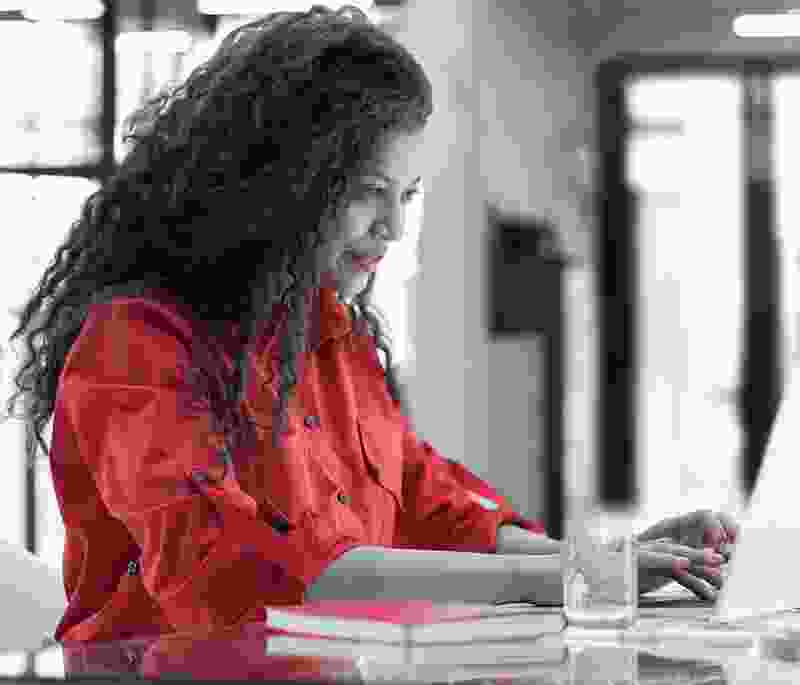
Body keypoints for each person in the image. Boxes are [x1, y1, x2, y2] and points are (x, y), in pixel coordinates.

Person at [7, 6, 735, 643]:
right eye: (367, 192)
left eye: (406, 196)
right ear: (276, 187)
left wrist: (604, 567)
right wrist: (559, 579)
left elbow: (432, 507)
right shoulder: (136, 344)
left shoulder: (331, 335)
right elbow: (229, 571)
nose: (393, 227)